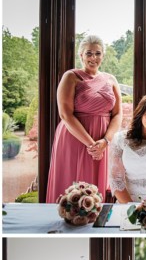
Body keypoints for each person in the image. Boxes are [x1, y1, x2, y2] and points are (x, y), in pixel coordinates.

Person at [46, 35, 123, 203]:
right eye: (89, 53)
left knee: (98, 190)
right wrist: (91, 144)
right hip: (74, 139)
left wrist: (105, 142)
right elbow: (65, 114)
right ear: (81, 55)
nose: (93, 58)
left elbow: (118, 114)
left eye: (97, 53)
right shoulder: (71, 77)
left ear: (103, 55)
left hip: (103, 141)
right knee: (71, 186)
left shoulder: (111, 79)